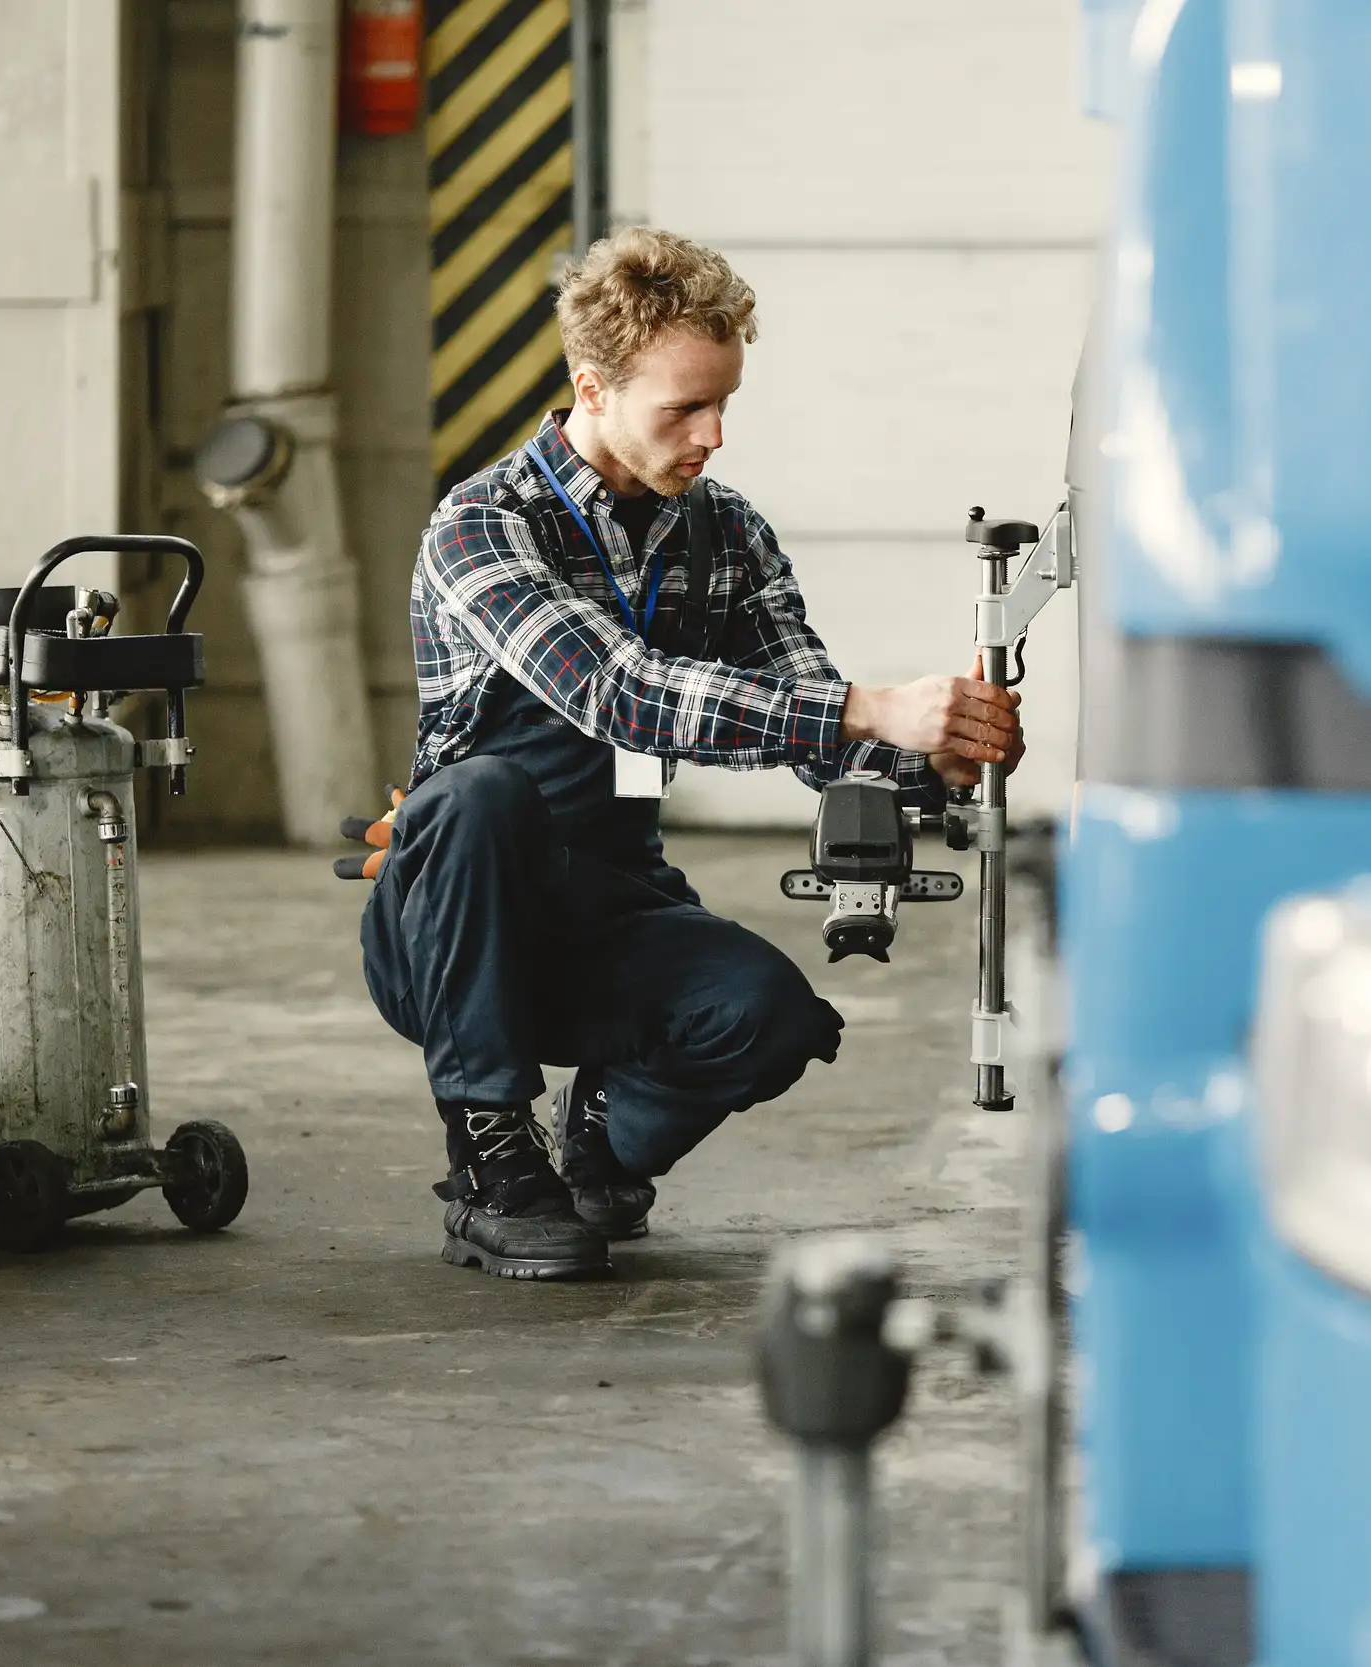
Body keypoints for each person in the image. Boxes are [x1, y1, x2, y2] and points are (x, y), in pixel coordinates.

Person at [351, 228, 1024, 1280]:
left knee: (772, 1014)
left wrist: (927, 757)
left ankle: (599, 1141)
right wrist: (872, 708)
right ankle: (490, 1159)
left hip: (612, 899)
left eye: (725, 404)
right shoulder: (483, 525)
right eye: (684, 408)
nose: (713, 435)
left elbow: (811, 713)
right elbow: (613, 689)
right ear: (594, 387)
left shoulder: (727, 535)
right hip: (456, 922)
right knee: (481, 795)